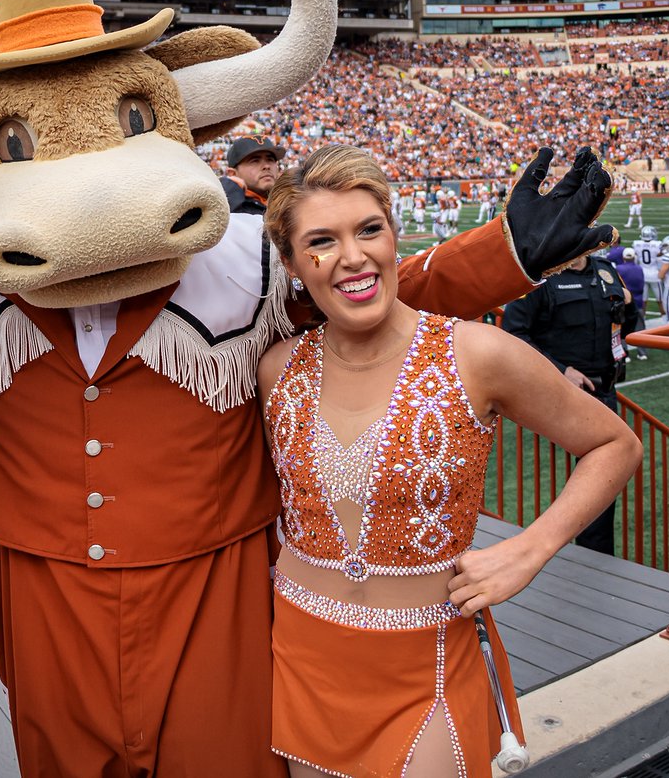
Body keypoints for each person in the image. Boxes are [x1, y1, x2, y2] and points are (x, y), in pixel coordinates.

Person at [258, 144, 638, 777]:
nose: (353, 256)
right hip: (303, 653)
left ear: (394, 234)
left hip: (428, 661)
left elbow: (615, 445)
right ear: (294, 264)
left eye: (369, 229)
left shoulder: (477, 353)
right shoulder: (276, 368)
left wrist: (531, 548)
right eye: (322, 240)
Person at [502, 247, 638, 555]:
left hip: (604, 389)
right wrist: (561, 372)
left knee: (605, 480)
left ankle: (595, 558)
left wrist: (628, 307)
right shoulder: (540, 277)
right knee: (594, 473)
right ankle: (553, 551)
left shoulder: (605, 270)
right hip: (562, 396)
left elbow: (625, 323)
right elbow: (515, 334)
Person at [219, 135, 286, 214]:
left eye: (270, 159)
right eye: (255, 161)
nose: (266, 166)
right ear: (233, 174)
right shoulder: (230, 209)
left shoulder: (286, 204)